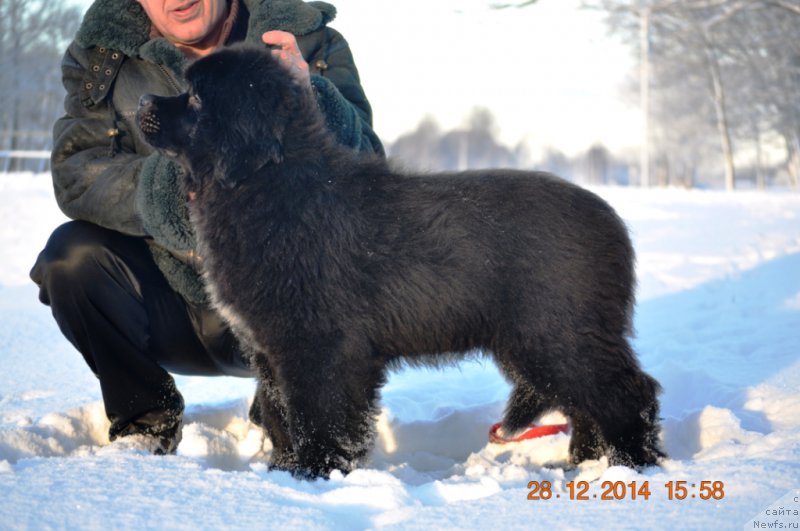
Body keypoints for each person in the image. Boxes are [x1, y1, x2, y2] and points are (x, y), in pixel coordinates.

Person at [29, 0, 383, 455]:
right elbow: (78, 172)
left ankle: (292, 415)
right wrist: (178, 189)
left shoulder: (307, 39)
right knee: (70, 257)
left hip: (286, 305)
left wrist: (308, 102)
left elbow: (368, 168)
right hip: (171, 300)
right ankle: (145, 419)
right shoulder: (102, 52)